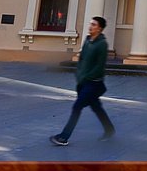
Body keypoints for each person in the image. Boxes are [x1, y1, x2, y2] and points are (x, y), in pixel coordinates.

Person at [50, 16, 116, 145]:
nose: (91, 26)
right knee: (96, 107)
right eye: (90, 24)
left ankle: (64, 137)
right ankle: (109, 129)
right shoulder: (87, 40)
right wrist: (79, 74)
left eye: (94, 25)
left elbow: (99, 66)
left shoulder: (102, 44)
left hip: (93, 83)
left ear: (100, 28)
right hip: (83, 82)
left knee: (77, 107)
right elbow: (82, 59)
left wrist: (87, 77)